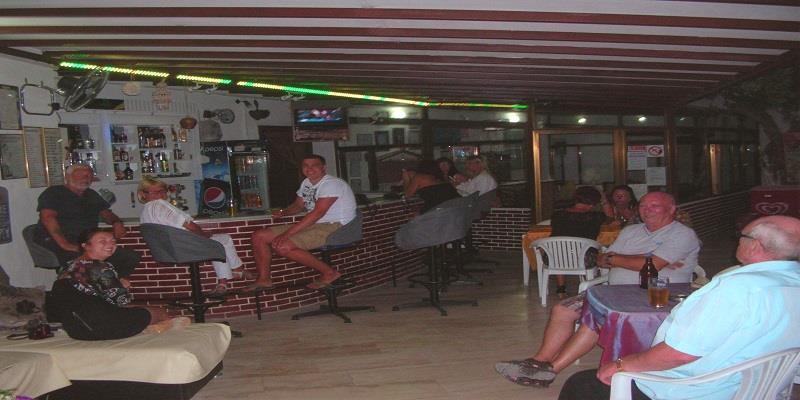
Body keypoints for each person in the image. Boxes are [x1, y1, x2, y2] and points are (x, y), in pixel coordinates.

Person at [559, 215, 800, 400]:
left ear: (755, 246)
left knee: (581, 384)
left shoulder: (736, 289)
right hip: (762, 388)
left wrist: (621, 365)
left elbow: (679, 354)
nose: (737, 239)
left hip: (696, 390)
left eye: (742, 236)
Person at [496, 191, 700, 387]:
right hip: (613, 292)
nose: (647, 210)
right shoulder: (630, 231)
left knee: (595, 319)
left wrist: (633, 260)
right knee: (562, 309)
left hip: (655, 298)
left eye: (654, 206)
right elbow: (602, 259)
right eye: (643, 205)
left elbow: (651, 265)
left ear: (671, 209)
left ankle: (550, 370)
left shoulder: (682, 234)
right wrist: (642, 259)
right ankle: (539, 361)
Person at [48, 228, 189, 340]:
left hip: (77, 331)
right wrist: (123, 286)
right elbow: (122, 301)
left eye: (112, 241)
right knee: (159, 312)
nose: (110, 245)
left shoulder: (67, 267)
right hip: (105, 328)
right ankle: (172, 341)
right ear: (85, 246)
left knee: (141, 310)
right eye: (102, 241)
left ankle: (147, 327)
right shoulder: (100, 267)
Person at [248, 154, 357, 290]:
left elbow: (318, 213)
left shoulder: (332, 184)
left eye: (314, 165)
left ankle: (330, 273)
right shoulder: (307, 183)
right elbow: (298, 205)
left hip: (335, 226)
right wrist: (284, 212)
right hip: (315, 224)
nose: (309, 169)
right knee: (259, 236)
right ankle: (264, 280)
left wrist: (286, 234)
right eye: (306, 165)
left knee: (283, 246)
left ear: (323, 168)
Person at [138, 177, 250, 295]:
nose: (160, 195)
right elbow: (190, 226)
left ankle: (225, 281)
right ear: (143, 194)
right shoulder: (160, 204)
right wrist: (204, 235)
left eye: (163, 191)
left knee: (219, 241)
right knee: (221, 241)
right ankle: (235, 271)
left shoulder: (145, 212)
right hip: (184, 247)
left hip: (166, 251)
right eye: (155, 192)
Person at [34, 164, 140, 277]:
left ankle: (113, 284)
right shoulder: (54, 193)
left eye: (89, 175)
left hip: (85, 241)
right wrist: (65, 244)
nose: (86, 178)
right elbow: (47, 218)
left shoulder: (91, 194)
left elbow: (106, 214)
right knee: (86, 264)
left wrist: (116, 222)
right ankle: (72, 284)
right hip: (58, 240)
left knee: (129, 257)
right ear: (68, 177)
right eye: (81, 175)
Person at [549, 186, 607, 298]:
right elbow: (611, 218)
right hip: (585, 258)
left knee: (559, 250)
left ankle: (561, 288)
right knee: (599, 251)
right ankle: (591, 285)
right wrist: (604, 201)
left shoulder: (557, 215)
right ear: (593, 203)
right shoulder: (595, 216)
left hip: (556, 259)